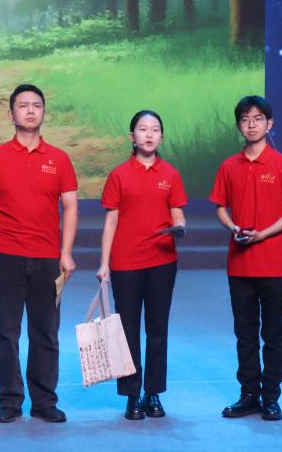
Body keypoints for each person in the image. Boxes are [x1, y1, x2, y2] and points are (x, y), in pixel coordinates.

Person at [0, 84, 78, 424]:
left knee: (46, 332)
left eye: (36, 105)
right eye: (23, 105)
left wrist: (66, 253)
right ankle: (9, 400)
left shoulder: (59, 159)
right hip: (5, 255)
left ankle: (44, 401)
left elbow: (70, 207)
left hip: (48, 258)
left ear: (43, 112)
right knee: (6, 332)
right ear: (11, 114)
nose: (30, 111)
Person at [210, 95, 282, 422]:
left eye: (258, 118)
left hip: (274, 263)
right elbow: (220, 207)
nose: (251, 125)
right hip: (239, 264)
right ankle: (249, 395)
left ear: (270, 123)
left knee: (274, 332)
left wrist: (263, 234)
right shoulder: (229, 166)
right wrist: (232, 226)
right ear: (239, 125)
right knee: (245, 332)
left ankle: (271, 397)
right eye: (245, 119)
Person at [97, 110, 187, 420]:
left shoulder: (170, 174)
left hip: (162, 261)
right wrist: (104, 263)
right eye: (143, 129)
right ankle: (132, 394)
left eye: (155, 129)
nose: (149, 134)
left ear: (161, 137)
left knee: (157, 330)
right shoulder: (119, 175)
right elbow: (111, 222)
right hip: (126, 262)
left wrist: (180, 226)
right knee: (128, 330)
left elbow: (177, 212)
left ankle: (153, 393)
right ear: (132, 137)